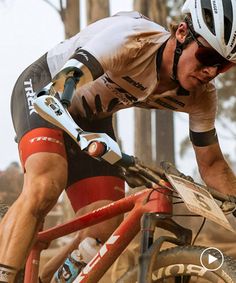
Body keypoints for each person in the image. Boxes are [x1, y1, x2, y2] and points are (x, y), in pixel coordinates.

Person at [1, 0, 236, 281]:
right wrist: (80, 137)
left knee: (105, 223)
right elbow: (57, 90)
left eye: (223, 66)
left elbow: (211, 164)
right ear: (183, 33)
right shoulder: (131, 38)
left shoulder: (201, 97)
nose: (211, 72)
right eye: (208, 57)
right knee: (46, 183)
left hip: (93, 117)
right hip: (47, 89)